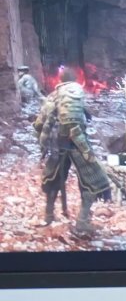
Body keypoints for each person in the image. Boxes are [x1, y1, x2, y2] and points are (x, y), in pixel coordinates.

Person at [33, 67, 112, 234]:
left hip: (57, 145)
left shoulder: (53, 96)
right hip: (77, 143)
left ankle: (49, 215)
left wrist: (42, 141)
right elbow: (80, 120)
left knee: (51, 179)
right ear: (75, 79)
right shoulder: (77, 93)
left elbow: (40, 123)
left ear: (60, 80)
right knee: (94, 180)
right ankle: (82, 221)